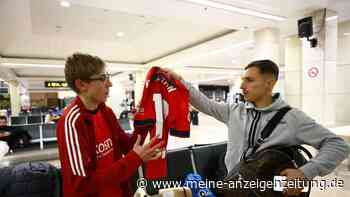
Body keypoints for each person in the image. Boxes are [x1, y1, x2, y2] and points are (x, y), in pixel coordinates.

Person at [163, 59, 349, 196]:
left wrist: (305, 172)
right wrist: (180, 82)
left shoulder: (292, 118)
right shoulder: (235, 111)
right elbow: (204, 103)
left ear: (269, 83)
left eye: (250, 80)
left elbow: (337, 145)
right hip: (234, 186)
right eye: (243, 80)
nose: (242, 85)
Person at [56, 53, 162, 197]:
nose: (109, 83)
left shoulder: (105, 111)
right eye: (102, 78)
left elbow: (128, 147)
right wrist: (134, 159)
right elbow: (82, 185)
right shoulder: (71, 122)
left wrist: (143, 121)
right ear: (81, 84)